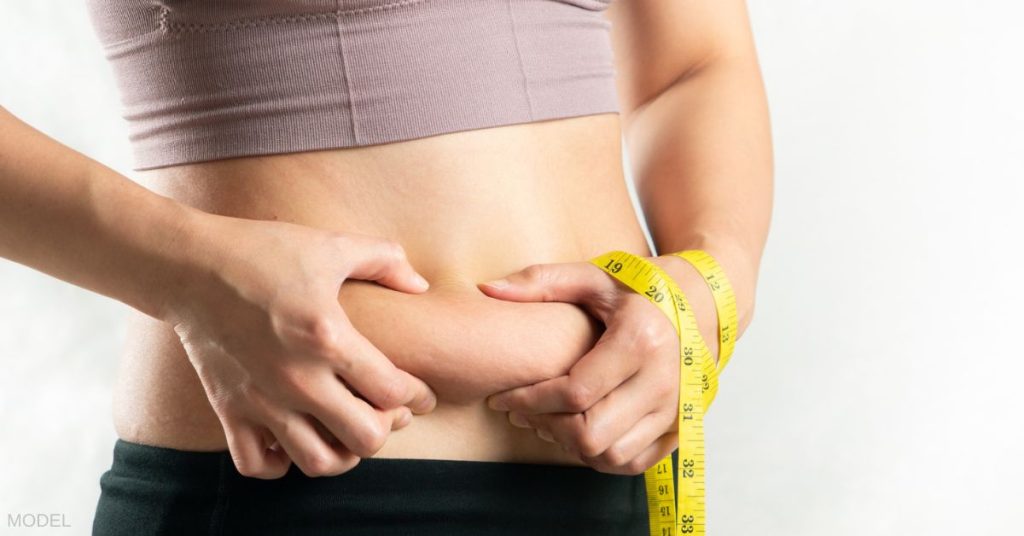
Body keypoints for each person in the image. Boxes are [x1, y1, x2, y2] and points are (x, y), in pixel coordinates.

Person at [0, 0, 773, 533]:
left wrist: (712, 284)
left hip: (612, 480)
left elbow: (694, 63)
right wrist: (186, 269)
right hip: (295, 466)